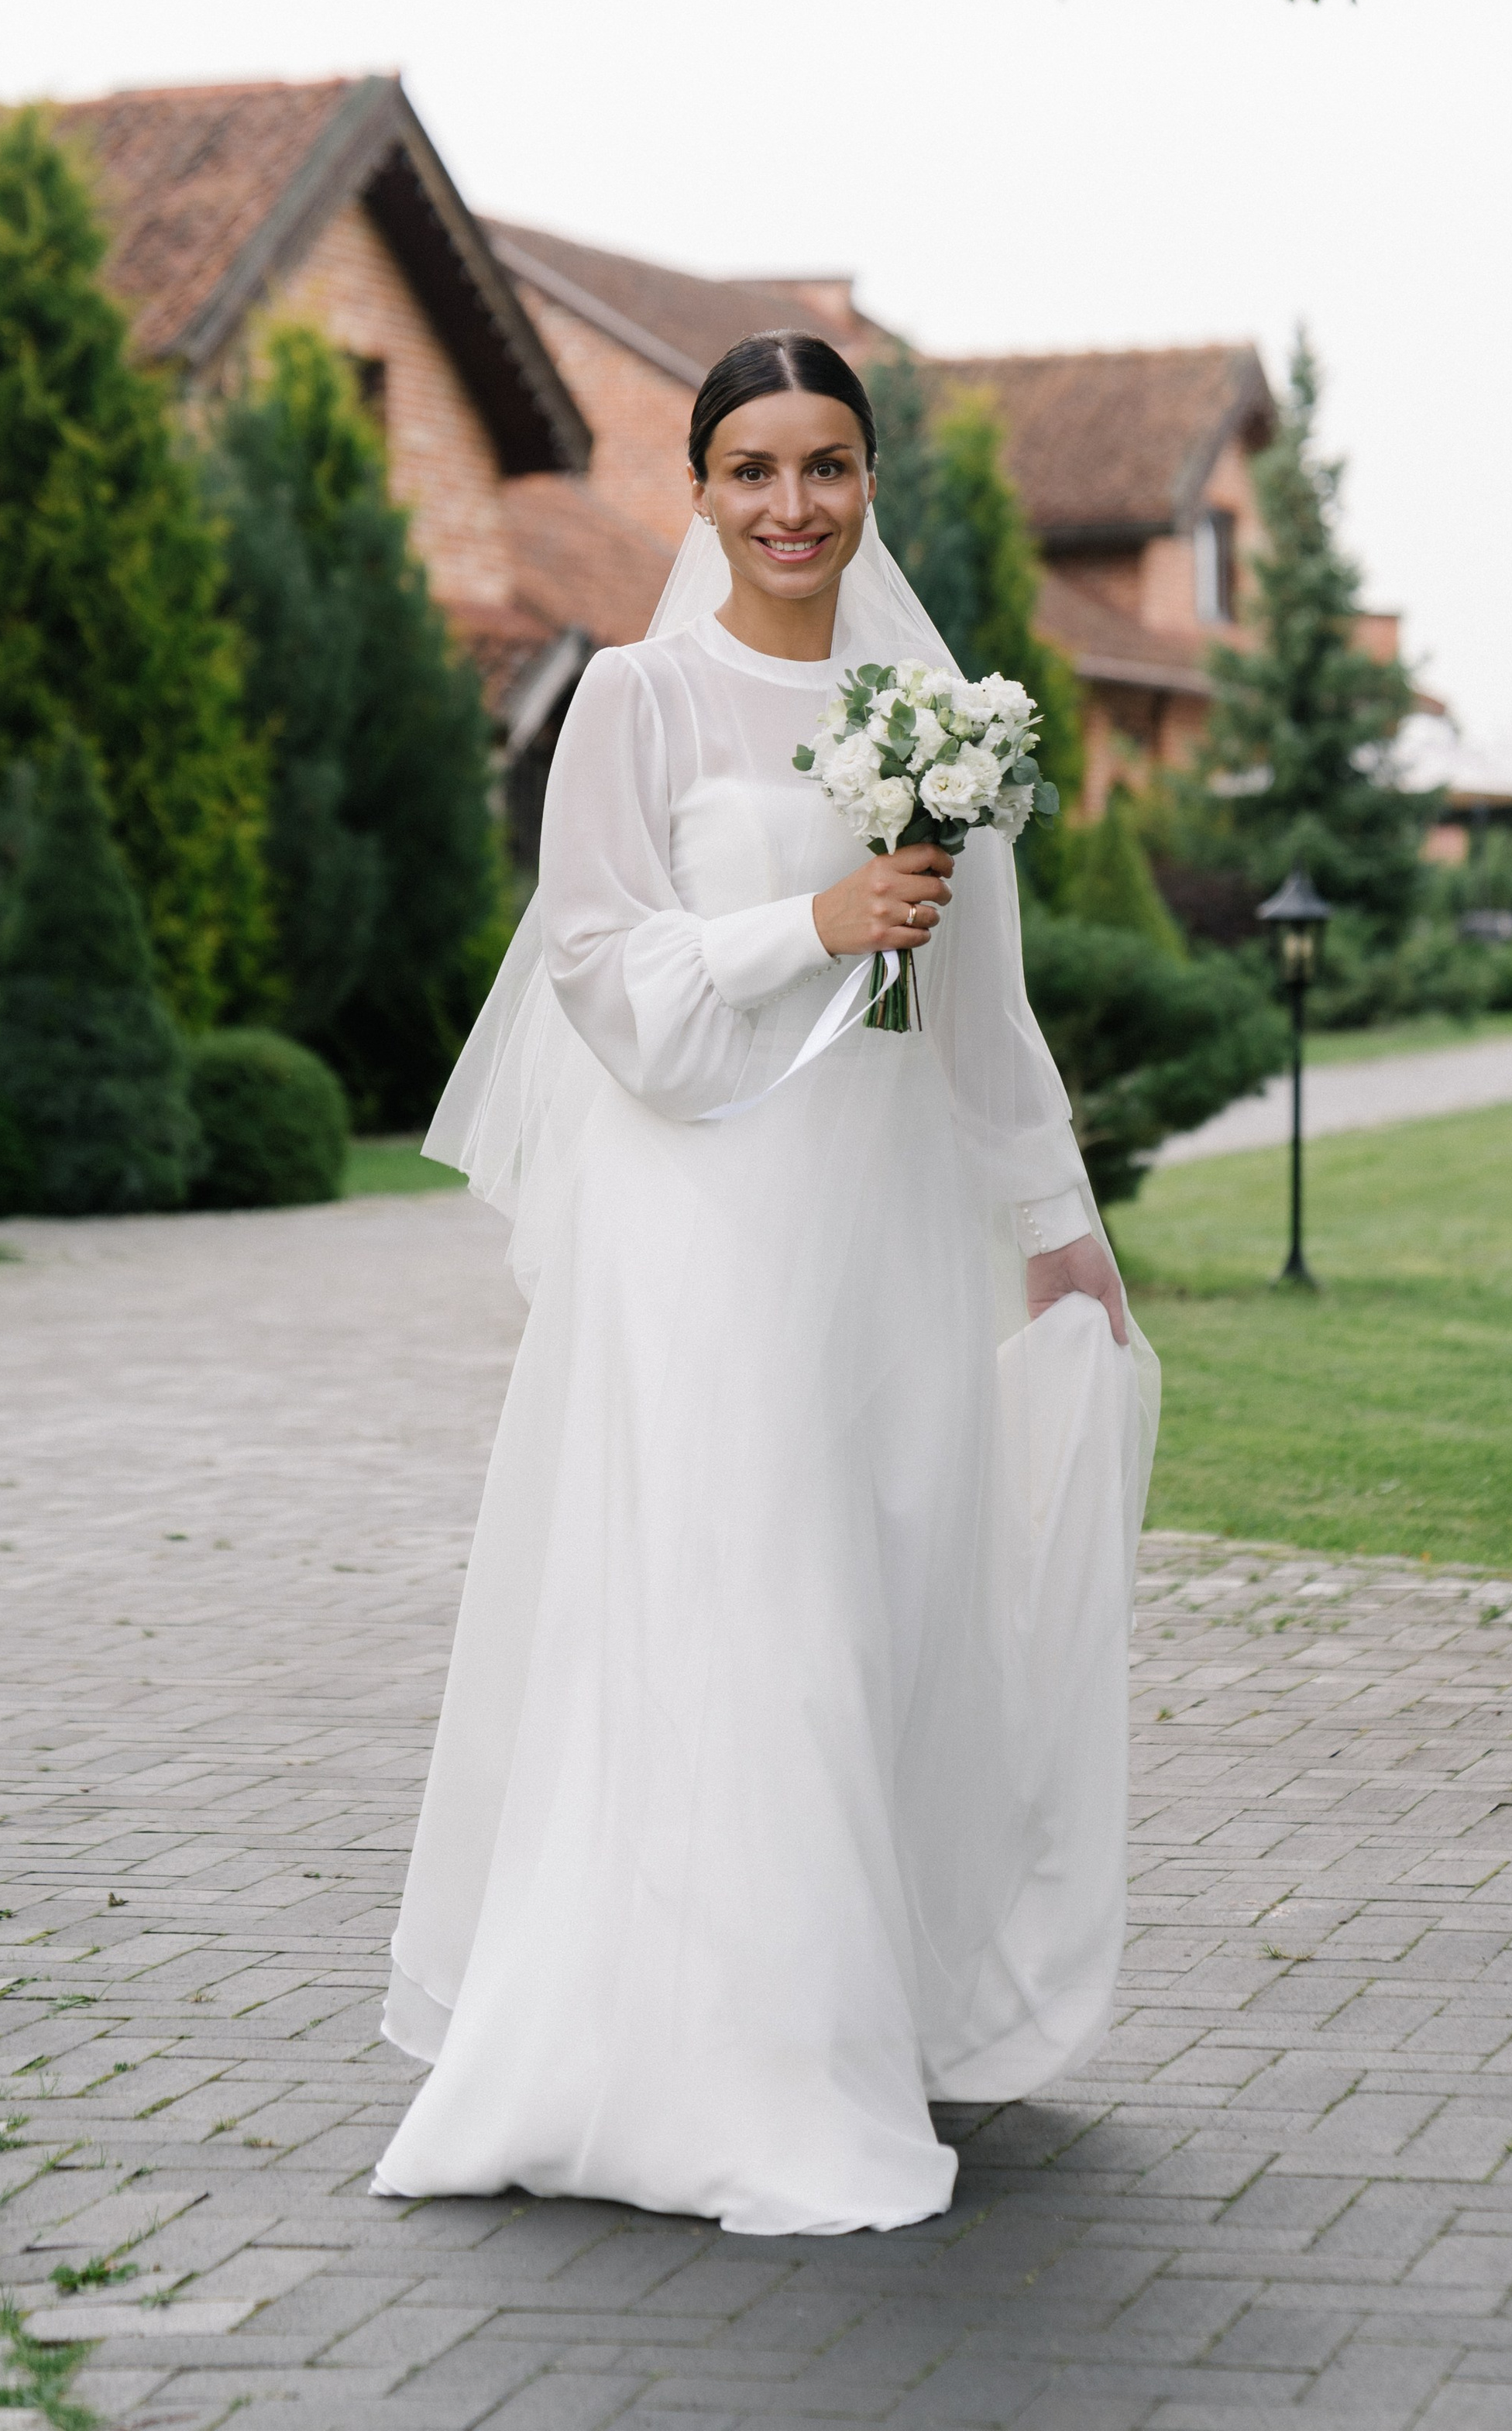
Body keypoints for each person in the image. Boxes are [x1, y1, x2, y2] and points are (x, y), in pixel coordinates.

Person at [372, 331, 1157, 2236]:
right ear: (700, 492)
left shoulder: (940, 715)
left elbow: (980, 1010)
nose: (791, 506)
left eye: (826, 466)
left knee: (878, 1597)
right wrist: (807, 922)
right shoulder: (640, 697)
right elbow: (593, 965)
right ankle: (728, 2074)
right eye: (751, 470)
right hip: (701, 1229)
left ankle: (838, 2009)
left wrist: (1061, 1228)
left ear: (867, 479)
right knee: (748, 1604)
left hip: (875, 1224)